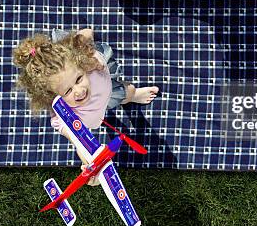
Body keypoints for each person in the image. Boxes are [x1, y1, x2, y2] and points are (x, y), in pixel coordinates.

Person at [12, 28, 158, 179]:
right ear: (53, 97)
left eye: (78, 79)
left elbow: (88, 33)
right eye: (67, 91)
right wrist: (90, 163)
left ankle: (134, 95)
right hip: (100, 106)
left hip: (108, 90)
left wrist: (88, 57)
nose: (79, 91)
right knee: (118, 97)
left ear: (81, 66)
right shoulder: (64, 117)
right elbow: (80, 142)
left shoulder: (89, 63)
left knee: (128, 92)